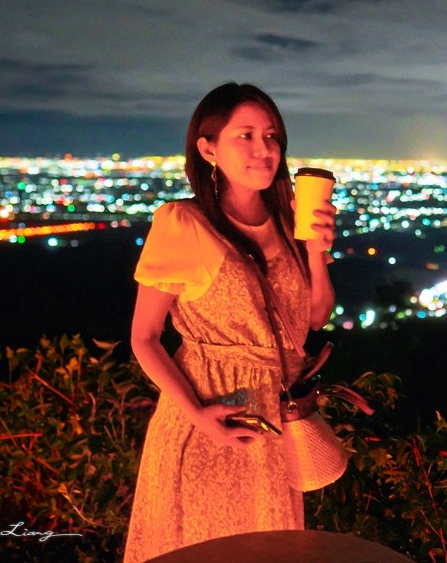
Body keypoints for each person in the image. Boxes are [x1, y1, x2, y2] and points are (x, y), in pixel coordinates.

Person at [123, 82, 336, 562]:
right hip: (208, 417)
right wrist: (196, 414)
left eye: (271, 136)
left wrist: (316, 252)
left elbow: (315, 318)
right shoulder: (184, 223)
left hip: (274, 427)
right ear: (208, 149)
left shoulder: (290, 219)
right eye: (245, 135)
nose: (264, 149)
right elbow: (144, 337)